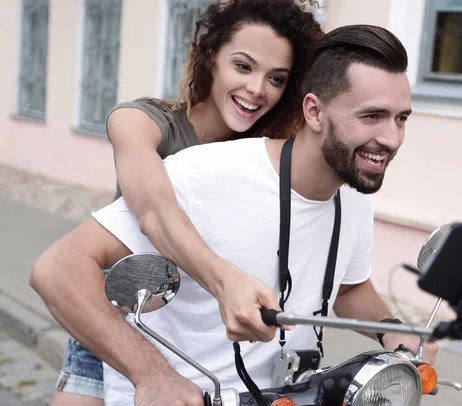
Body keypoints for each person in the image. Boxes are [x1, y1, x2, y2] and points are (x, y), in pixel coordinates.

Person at [31, 23, 439, 406]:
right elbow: (59, 270)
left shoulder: (352, 195)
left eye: (401, 118)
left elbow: (350, 290)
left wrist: (394, 331)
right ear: (313, 112)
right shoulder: (202, 172)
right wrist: (152, 375)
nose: (391, 138)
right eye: (371, 116)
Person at [34, 1, 324, 405]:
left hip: (196, 348)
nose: (257, 89)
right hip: (115, 327)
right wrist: (225, 282)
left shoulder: (266, 156)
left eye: (276, 78)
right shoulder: (144, 122)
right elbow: (155, 211)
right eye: (243, 66)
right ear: (210, 57)